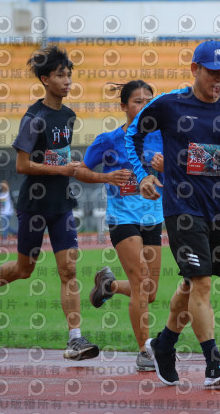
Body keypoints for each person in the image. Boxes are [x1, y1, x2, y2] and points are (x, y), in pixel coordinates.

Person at [125, 40, 220, 387]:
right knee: (201, 283)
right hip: (182, 210)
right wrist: (143, 175)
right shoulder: (170, 104)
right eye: (214, 73)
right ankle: (214, 364)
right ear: (195, 69)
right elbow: (132, 135)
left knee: (190, 283)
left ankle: (164, 345)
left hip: (217, 212)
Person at [0, 45, 99, 360]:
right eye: (60, 75)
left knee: (68, 270)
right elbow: (22, 165)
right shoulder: (33, 118)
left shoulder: (69, 116)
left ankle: (75, 339)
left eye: (69, 75)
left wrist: (73, 169)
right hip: (34, 205)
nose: (67, 81)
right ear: (45, 79)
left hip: (62, 204)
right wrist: (62, 169)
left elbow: (59, 157)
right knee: (25, 269)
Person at [75, 80, 164, 371]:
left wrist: (167, 167)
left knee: (150, 291)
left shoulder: (162, 138)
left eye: (149, 101)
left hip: (153, 218)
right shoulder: (109, 140)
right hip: (123, 218)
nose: (144, 106)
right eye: (138, 101)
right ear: (124, 106)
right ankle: (145, 351)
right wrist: (107, 177)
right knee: (141, 282)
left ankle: (109, 285)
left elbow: (181, 171)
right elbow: (81, 171)